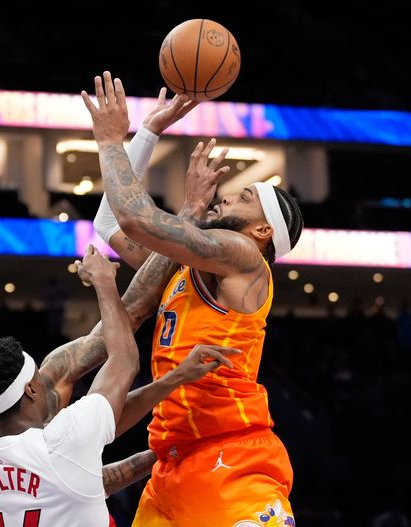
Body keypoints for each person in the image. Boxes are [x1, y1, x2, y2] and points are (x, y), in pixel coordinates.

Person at [83, 72, 304, 526]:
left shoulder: (244, 258)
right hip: (170, 463)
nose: (224, 199)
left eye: (243, 198)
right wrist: (148, 132)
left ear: (262, 232)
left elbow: (137, 217)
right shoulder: (184, 266)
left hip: (232, 458)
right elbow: (111, 225)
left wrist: (110, 140)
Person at [0, 246, 235, 526]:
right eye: (38, 379)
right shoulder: (59, 442)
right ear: (30, 390)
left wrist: (176, 378)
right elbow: (124, 362)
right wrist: (103, 281)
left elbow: (103, 421)